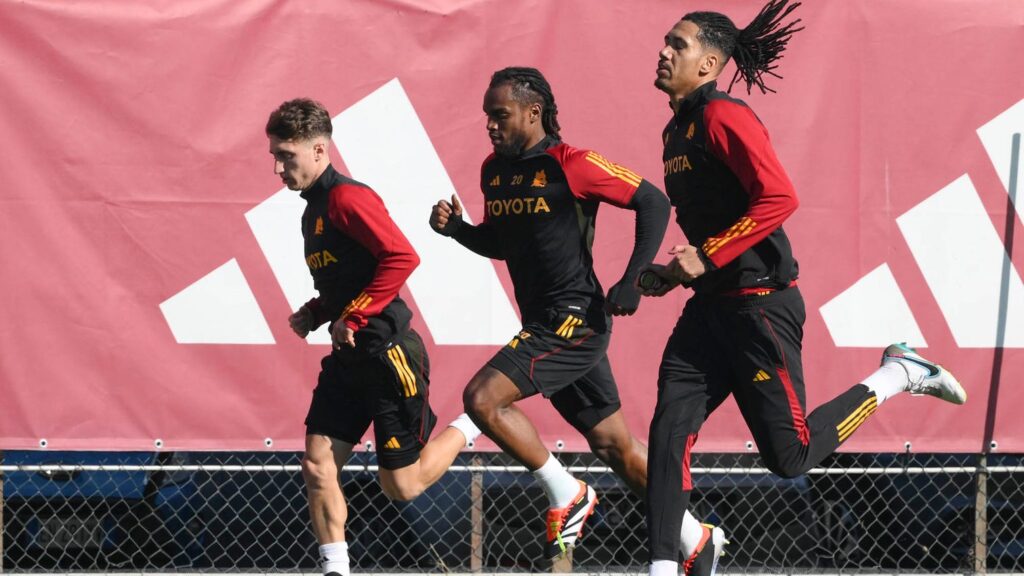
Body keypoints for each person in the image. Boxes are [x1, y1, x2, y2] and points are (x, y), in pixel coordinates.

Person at [640, 2, 968, 575]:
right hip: (710, 310)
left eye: (678, 43)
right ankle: (665, 566)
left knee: (788, 458)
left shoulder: (723, 116)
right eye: (665, 40)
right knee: (668, 431)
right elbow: (714, 223)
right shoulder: (676, 127)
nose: (664, 50)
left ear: (710, 62)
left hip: (761, 306)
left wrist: (710, 254)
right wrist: (674, 272)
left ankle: (898, 373)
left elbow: (779, 198)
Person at [429, 67, 715, 568]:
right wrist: (459, 231)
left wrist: (632, 278)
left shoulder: (572, 163)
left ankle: (567, 492)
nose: (490, 126)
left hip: (574, 323)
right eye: (486, 117)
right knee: (615, 446)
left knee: (481, 398)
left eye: (500, 115)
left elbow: (651, 199)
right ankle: (695, 536)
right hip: (543, 324)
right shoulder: (493, 170)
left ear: (533, 112)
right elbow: (502, 242)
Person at [266, 98, 482, 576]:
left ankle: (476, 421)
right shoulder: (311, 213)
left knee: (400, 487)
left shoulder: (347, 197)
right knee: (318, 465)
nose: (279, 167)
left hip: (388, 355)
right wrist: (318, 311)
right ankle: (335, 570)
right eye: (275, 157)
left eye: (287, 156)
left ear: (319, 150)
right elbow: (345, 281)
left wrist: (355, 316)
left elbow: (401, 258)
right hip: (348, 360)